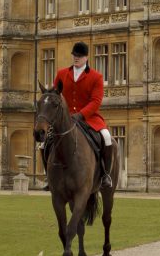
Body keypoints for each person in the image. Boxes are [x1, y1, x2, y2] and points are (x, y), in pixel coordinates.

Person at [47, 41, 114, 189]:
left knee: (107, 137)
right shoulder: (62, 74)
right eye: (74, 55)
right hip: (66, 117)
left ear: (86, 57)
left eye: (79, 56)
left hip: (89, 118)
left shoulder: (96, 77)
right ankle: (49, 176)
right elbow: (55, 95)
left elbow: (96, 101)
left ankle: (105, 175)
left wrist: (81, 115)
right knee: (46, 140)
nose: (76, 58)